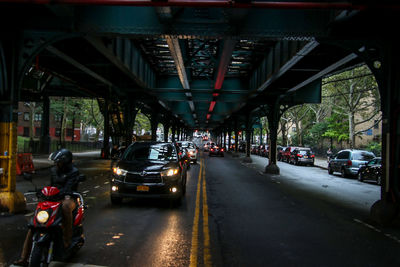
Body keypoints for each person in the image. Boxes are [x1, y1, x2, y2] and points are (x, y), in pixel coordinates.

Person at [14, 149, 80, 266]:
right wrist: (42, 192)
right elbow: (51, 185)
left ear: (65, 162)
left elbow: (69, 187)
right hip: (54, 198)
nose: (56, 164)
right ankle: (24, 257)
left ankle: (67, 238)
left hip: (68, 197)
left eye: (58, 162)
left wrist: (61, 193)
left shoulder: (74, 172)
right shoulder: (54, 170)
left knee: (65, 207)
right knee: (34, 224)